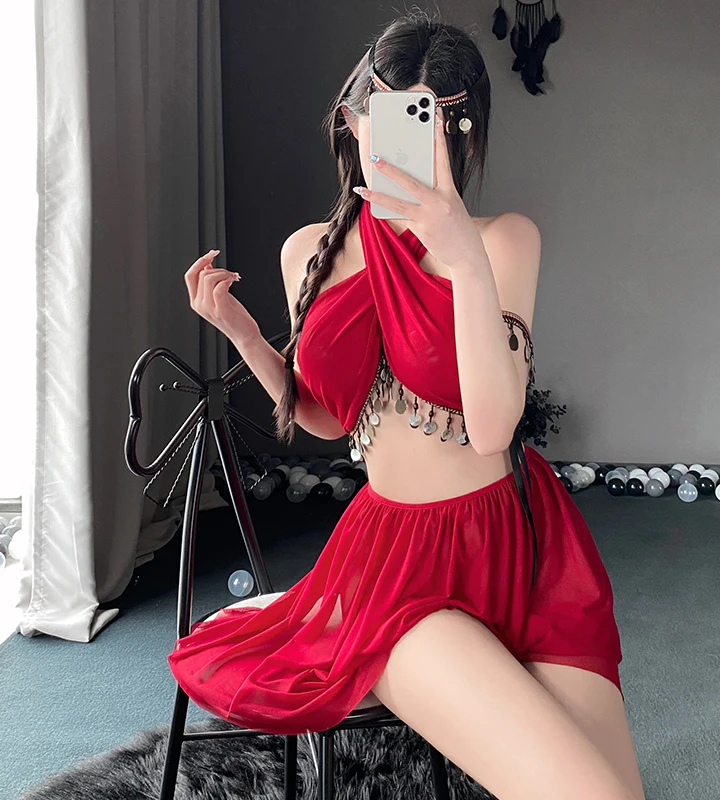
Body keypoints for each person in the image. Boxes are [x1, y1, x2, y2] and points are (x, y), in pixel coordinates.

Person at [169, 12, 646, 800]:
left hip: (523, 547)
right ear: (354, 120)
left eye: (427, 124)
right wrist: (246, 335)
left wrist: (463, 259)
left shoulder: (504, 240)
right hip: (398, 569)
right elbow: (328, 418)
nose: (398, 147)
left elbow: (492, 429)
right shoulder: (307, 252)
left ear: (461, 135)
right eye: (385, 119)